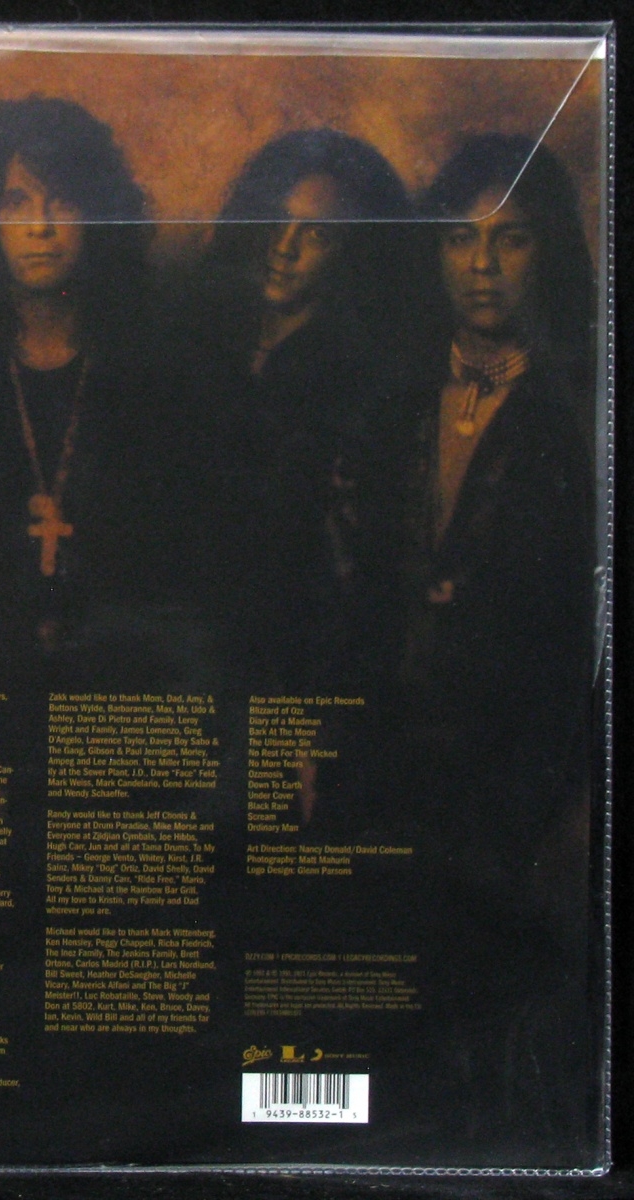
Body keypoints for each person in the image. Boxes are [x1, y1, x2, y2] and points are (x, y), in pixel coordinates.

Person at [380, 135, 597, 1154]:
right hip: (394, 756)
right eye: (458, 240)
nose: (480, 265)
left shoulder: (578, 413)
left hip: (522, 769)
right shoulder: (391, 405)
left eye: (509, 240)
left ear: (546, 251)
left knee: (505, 1017)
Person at [0, 95, 189, 694]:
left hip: (116, 685)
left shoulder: (155, 367)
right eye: (16, 202)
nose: (40, 227)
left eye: (64, 201)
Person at [188, 129, 412, 700]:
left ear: (352, 251)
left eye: (316, 233)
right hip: (190, 646)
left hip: (296, 659)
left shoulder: (360, 378)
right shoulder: (206, 340)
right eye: (277, 221)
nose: (284, 248)